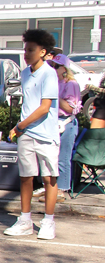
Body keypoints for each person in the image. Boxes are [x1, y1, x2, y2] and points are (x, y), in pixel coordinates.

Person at [4, 29, 60, 240]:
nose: (26, 54)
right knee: (26, 177)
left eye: (31, 50)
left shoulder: (49, 73)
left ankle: (48, 221)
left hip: (46, 134)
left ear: (43, 52)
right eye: (25, 49)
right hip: (27, 133)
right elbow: (28, 104)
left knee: (49, 178)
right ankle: (25, 220)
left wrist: (20, 126)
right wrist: (22, 128)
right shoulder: (25, 73)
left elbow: (45, 107)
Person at [51, 54, 82, 200]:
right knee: (51, 157)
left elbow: (70, 108)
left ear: (65, 69)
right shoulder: (54, 82)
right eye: (52, 65)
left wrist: (55, 95)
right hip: (52, 121)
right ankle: (51, 187)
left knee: (63, 157)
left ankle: (62, 189)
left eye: (56, 66)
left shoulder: (71, 84)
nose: (54, 69)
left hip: (66, 122)